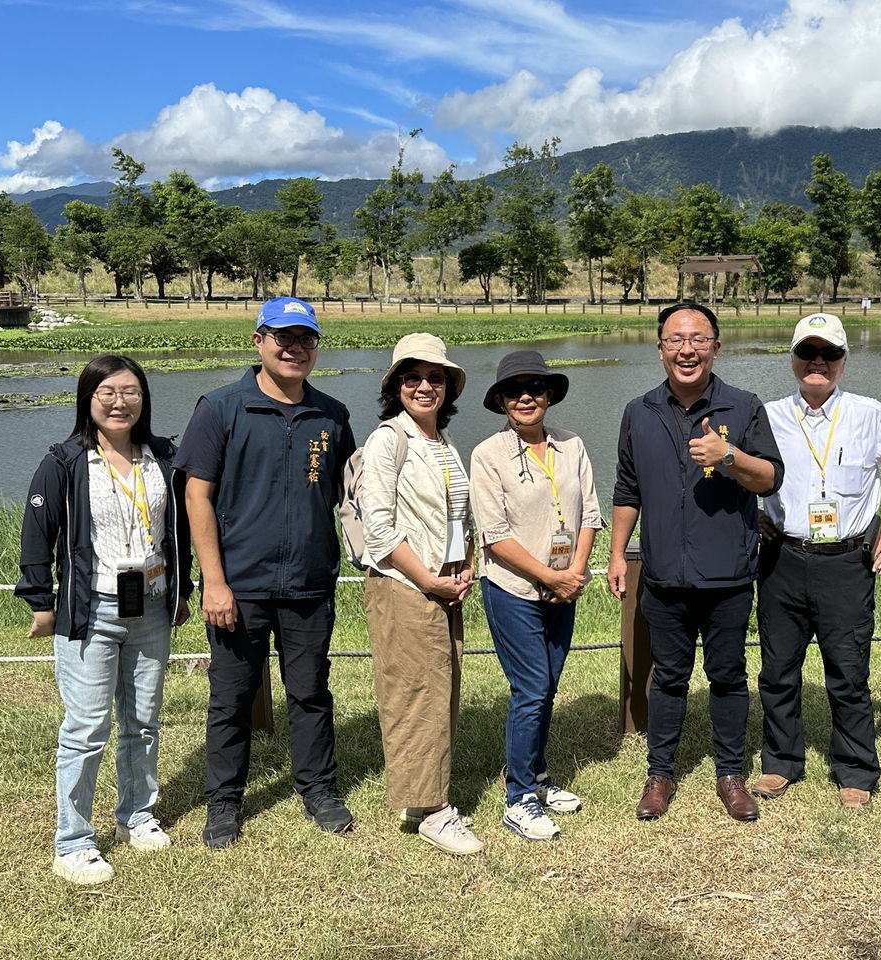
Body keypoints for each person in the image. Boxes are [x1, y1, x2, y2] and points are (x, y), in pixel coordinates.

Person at [175, 297, 356, 848]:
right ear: (258, 341)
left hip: (308, 582)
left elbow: (347, 495)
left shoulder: (332, 415)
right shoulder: (222, 407)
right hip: (240, 585)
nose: (293, 348)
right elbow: (196, 495)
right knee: (230, 696)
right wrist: (215, 581)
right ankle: (225, 801)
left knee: (310, 691)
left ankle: (318, 788)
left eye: (305, 338)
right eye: (282, 336)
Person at [17, 355, 192, 885]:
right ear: (87, 399)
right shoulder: (65, 461)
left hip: (153, 607)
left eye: (131, 391)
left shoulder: (162, 456)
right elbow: (36, 535)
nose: (120, 402)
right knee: (87, 727)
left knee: (143, 720)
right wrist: (42, 602)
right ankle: (72, 841)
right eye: (107, 392)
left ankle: (137, 816)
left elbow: (179, 531)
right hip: (90, 609)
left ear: (144, 398)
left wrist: (183, 590)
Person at [607, 302, 784, 823]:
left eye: (698, 339)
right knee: (668, 677)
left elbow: (770, 478)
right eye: (676, 340)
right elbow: (627, 488)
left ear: (715, 346)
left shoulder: (743, 406)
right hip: (664, 574)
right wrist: (617, 553)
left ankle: (731, 775)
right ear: (660, 348)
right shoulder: (639, 412)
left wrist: (728, 457)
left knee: (727, 676)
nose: (687, 350)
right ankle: (659, 774)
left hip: (727, 574)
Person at [754, 315, 881, 811]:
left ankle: (855, 770)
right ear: (792, 360)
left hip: (847, 562)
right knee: (778, 669)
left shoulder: (869, 414)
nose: (818, 363)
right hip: (783, 557)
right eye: (808, 352)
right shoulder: (767, 415)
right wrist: (753, 516)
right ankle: (781, 761)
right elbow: (738, 472)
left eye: (828, 354)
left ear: (844, 361)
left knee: (848, 671)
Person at [470, 350, 605, 841]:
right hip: (514, 588)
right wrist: (550, 579)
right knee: (531, 689)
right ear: (502, 401)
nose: (526, 396)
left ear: (549, 395)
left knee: (547, 684)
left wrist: (573, 573)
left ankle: (538, 777)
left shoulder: (573, 445)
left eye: (536, 387)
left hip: (564, 585)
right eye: (514, 390)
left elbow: (590, 512)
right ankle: (519, 797)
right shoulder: (487, 455)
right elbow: (493, 533)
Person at [359, 333, 483, 855]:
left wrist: (466, 563)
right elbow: (379, 529)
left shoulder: (442, 443)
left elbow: (456, 515)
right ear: (396, 386)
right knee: (416, 696)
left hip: (441, 585)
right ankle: (433, 810)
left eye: (436, 377)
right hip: (406, 585)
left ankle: (421, 795)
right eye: (413, 376)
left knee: (438, 690)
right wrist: (429, 579)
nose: (425, 386)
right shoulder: (389, 439)